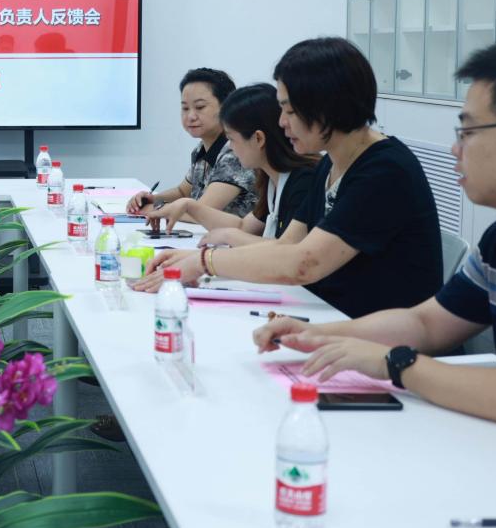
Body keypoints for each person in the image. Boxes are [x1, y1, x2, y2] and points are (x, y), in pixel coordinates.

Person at [254, 38, 496, 457]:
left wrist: (396, 363)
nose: (456, 149)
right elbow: (426, 324)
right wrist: (315, 335)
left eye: (469, 132)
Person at [136, 37, 442, 319]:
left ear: (326, 107)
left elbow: (303, 263)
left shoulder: (383, 170)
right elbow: (285, 246)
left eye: (290, 111)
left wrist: (206, 262)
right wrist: (197, 258)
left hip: (373, 335)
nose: (281, 123)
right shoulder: (330, 165)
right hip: (331, 317)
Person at [145, 83, 319, 243]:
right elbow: (243, 227)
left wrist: (221, 245)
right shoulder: (272, 180)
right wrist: (188, 205)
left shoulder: (303, 180)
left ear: (258, 139)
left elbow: (288, 251)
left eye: (232, 139)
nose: (230, 147)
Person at [125, 68, 257, 221]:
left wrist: (154, 209)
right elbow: (182, 192)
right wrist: (152, 199)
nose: (190, 116)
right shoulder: (201, 150)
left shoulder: (235, 152)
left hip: (237, 235)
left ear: (226, 107)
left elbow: (201, 212)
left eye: (200, 107)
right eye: (185, 108)